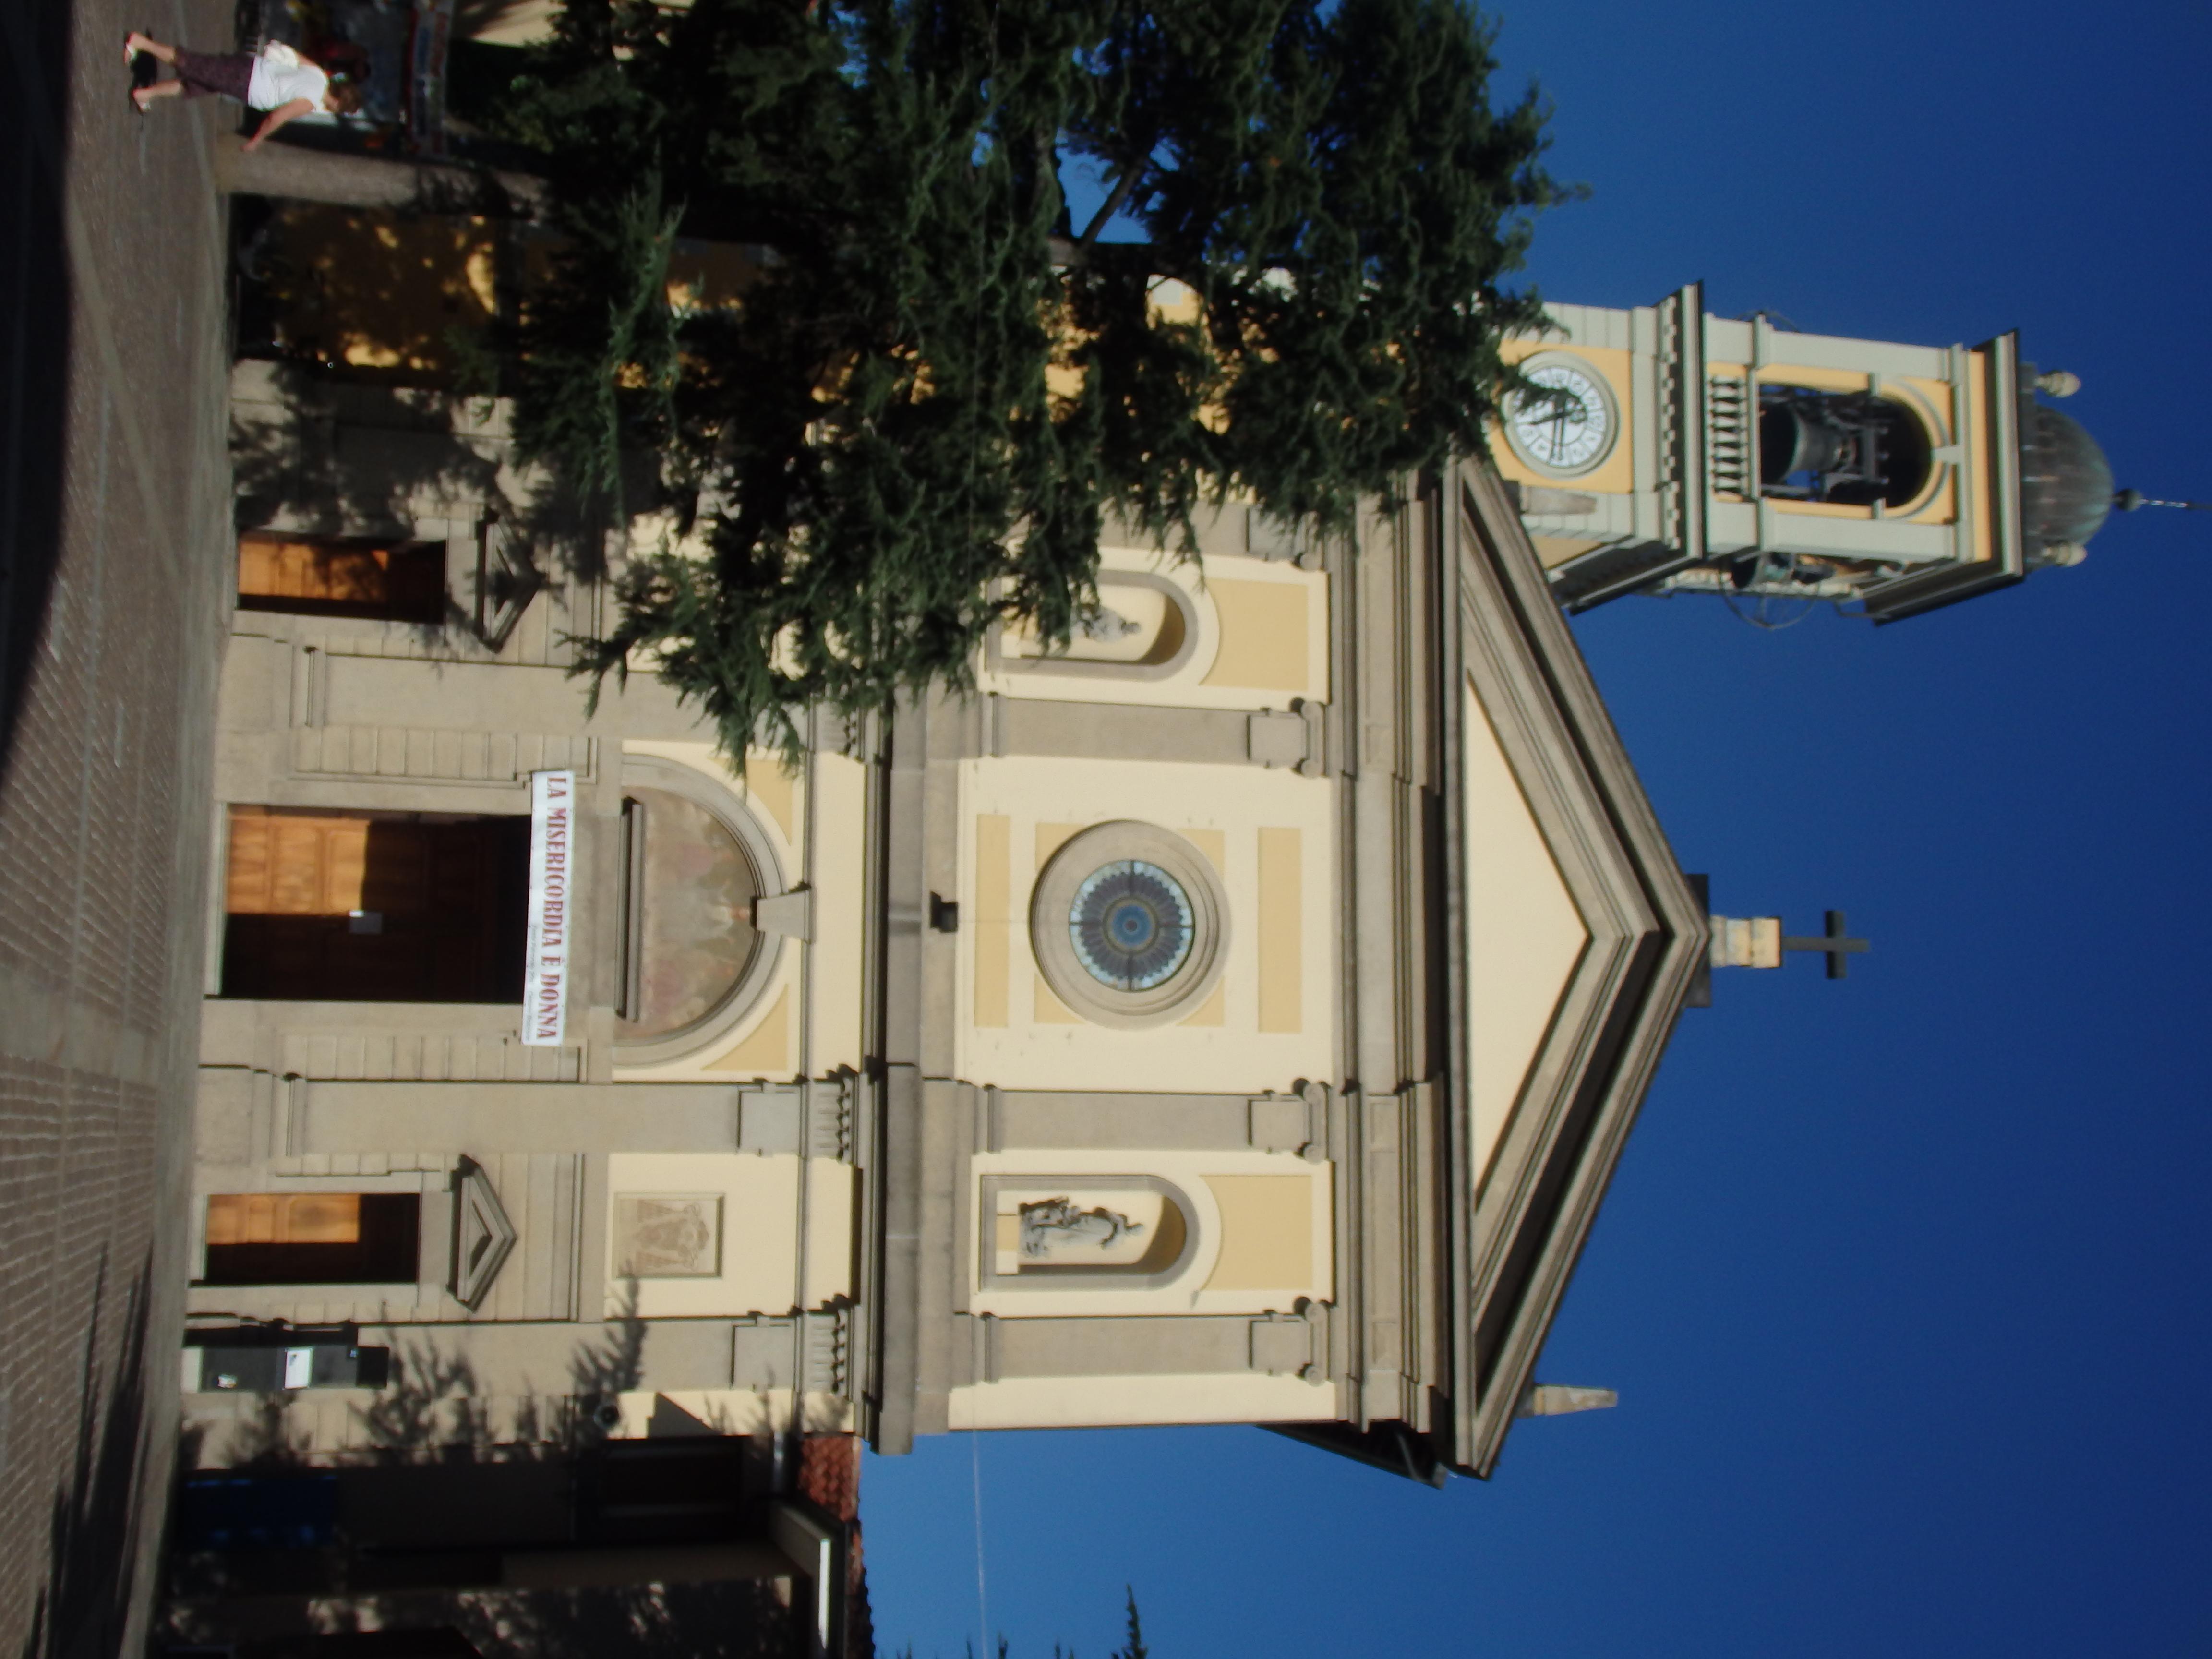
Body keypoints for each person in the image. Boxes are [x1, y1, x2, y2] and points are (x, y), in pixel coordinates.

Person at [124, 32, 363, 148]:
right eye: (338, 110)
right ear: (339, 104)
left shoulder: (320, 76)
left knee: (196, 85)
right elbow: (276, 117)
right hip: (245, 82)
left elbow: (295, 57)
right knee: (190, 63)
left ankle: (145, 94)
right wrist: (257, 140)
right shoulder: (311, 101)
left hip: (251, 67)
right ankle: (141, 43)